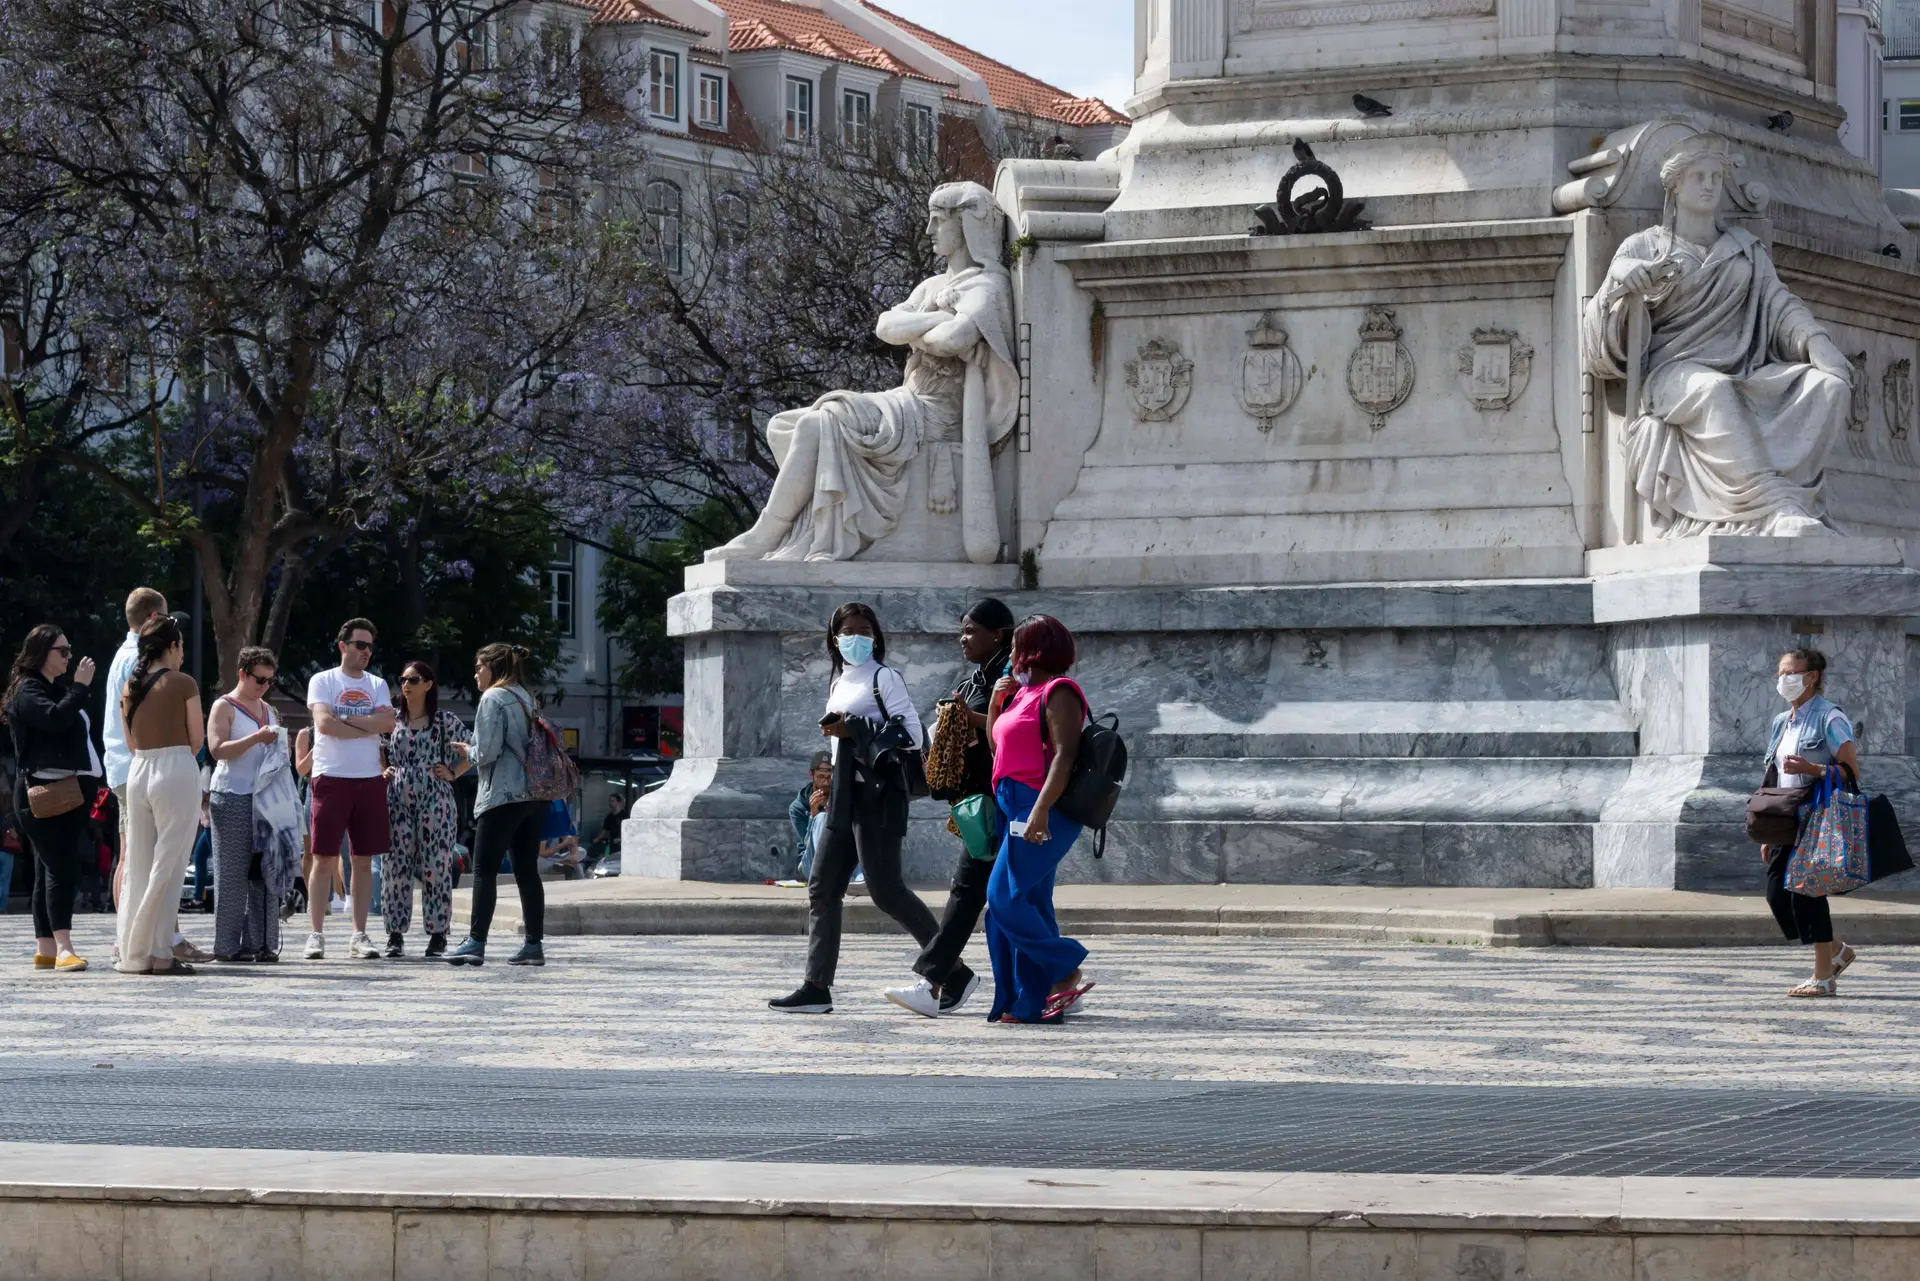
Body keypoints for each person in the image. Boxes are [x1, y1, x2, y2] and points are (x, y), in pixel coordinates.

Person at [769, 603, 939, 1015]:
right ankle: (816, 987)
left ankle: (950, 968)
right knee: (822, 888)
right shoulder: (839, 681)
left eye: (865, 631)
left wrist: (855, 728)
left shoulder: (885, 678)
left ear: (876, 637)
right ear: (834, 637)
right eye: (849, 631)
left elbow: (913, 737)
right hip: (844, 798)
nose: (857, 639)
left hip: (877, 798)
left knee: (886, 891)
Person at [884, 598, 1014, 1018]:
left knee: (968, 890)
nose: (963, 638)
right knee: (1011, 897)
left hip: (1000, 801)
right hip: (972, 802)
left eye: (972, 630)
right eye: (962, 630)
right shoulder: (974, 681)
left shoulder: (1010, 679)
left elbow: (1012, 730)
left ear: (999, 634)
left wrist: (969, 719)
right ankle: (1058, 977)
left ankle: (935, 981)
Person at [983, 614, 1095, 1024]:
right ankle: (1031, 1004)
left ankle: (1065, 966)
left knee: (1003, 899)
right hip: (1013, 805)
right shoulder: (1023, 693)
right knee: (1025, 902)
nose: (1010, 654)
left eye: (1016, 646)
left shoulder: (1060, 691)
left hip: (1040, 807)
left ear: (1033, 649)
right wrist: (997, 704)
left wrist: (1041, 810)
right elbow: (999, 746)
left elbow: (1065, 755)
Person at [99, 588, 211, 966]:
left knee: (138, 864)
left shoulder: (130, 683)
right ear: (173, 645)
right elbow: (197, 739)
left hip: (138, 769)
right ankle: (161, 950)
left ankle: (135, 948)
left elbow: (130, 743)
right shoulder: (183, 683)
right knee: (170, 865)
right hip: (175, 767)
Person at [1762, 647, 1863, 999]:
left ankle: (1823, 977)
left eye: (1790, 672)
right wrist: (1769, 829)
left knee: (1808, 894)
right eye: (1780, 672)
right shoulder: (1781, 721)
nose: (1783, 679)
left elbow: (1850, 770)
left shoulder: (1830, 718)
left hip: (1818, 818)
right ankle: (1836, 950)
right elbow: (1773, 776)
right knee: (1777, 893)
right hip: (1786, 818)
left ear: (1812, 676)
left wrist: (1812, 769)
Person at [4, 624, 102, 971]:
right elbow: (54, 719)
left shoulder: (49, 687)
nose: (69, 656)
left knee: (49, 867)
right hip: (41, 794)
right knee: (62, 868)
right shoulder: (28, 689)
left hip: (60, 792)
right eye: (62, 650)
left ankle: (46, 948)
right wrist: (79, 687)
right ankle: (63, 947)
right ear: (43, 653)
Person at [443, 643, 548, 967]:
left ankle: (475, 942)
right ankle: (533, 945)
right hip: (534, 795)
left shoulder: (493, 698)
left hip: (502, 795)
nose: (475, 674)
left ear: (493, 667)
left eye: (479, 667)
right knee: (527, 870)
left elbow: (487, 752)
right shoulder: (526, 698)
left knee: (484, 870)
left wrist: (467, 752)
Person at [303, 618, 397, 960]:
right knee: (323, 858)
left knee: (362, 859)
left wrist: (348, 724)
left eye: (370, 646)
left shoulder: (378, 684)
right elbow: (324, 724)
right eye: (360, 645)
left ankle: (359, 934)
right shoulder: (323, 681)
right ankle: (315, 934)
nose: (366, 652)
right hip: (330, 777)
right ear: (343, 646)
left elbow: (388, 722)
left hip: (369, 778)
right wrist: (366, 724)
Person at [380, 660, 470, 958]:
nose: (406, 684)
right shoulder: (392, 720)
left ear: (428, 684)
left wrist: (455, 772)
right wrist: (386, 769)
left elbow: (474, 747)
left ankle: (438, 933)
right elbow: (376, 748)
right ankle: (394, 934)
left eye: (413, 679)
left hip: (436, 796)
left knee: (436, 865)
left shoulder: (444, 721)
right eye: (403, 679)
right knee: (395, 865)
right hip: (398, 795)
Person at [206, 647, 286, 963]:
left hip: (265, 798)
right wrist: (256, 739)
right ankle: (226, 945)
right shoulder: (223, 706)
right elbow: (216, 749)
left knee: (265, 874)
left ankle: (262, 943)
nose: (264, 686)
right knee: (233, 874)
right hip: (231, 796)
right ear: (242, 673)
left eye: (269, 681)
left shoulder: (270, 710)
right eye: (259, 679)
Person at [787, 750, 833, 881]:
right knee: (821, 818)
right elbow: (806, 843)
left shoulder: (841, 797)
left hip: (839, 857)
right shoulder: (797, 808)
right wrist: (813, 816)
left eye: (830, 777)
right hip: (810, 863)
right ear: (811, 775)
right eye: (820, 777)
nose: (826, 782)